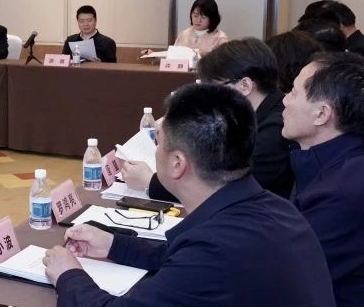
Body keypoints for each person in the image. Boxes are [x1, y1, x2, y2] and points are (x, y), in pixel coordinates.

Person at [43, 83, 343, 307]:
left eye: (158, 142)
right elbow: (186, 260)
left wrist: (68, 275)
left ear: (177, 164)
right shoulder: (269, 207)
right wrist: (115, 245)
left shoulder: (222, 249)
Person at [123, 38, 295, 200]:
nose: (210, 96)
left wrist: (149, 182)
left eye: (213, 88)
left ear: (245, 86)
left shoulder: (276, 129)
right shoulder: (251, 115)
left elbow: (224, 190)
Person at [283, 52, 364, 307]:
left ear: (322, 114)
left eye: (293, 92)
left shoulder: (343, 190)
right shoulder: (333, 165)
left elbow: (282, 276)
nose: (284, 100)